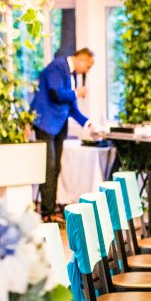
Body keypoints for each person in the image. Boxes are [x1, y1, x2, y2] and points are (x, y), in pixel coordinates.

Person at [30, 48, 97, 221]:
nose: (87, 71)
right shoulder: (58, 66)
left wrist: (89, 124)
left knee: (56, 168)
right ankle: (46, 213)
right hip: (46, 123)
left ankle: (51, 209)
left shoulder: (70, 75)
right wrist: (76, 93)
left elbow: (71, 108)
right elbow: (56, 93)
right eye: (88, 67)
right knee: (49, 167)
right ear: (82, 59)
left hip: (59, 126)